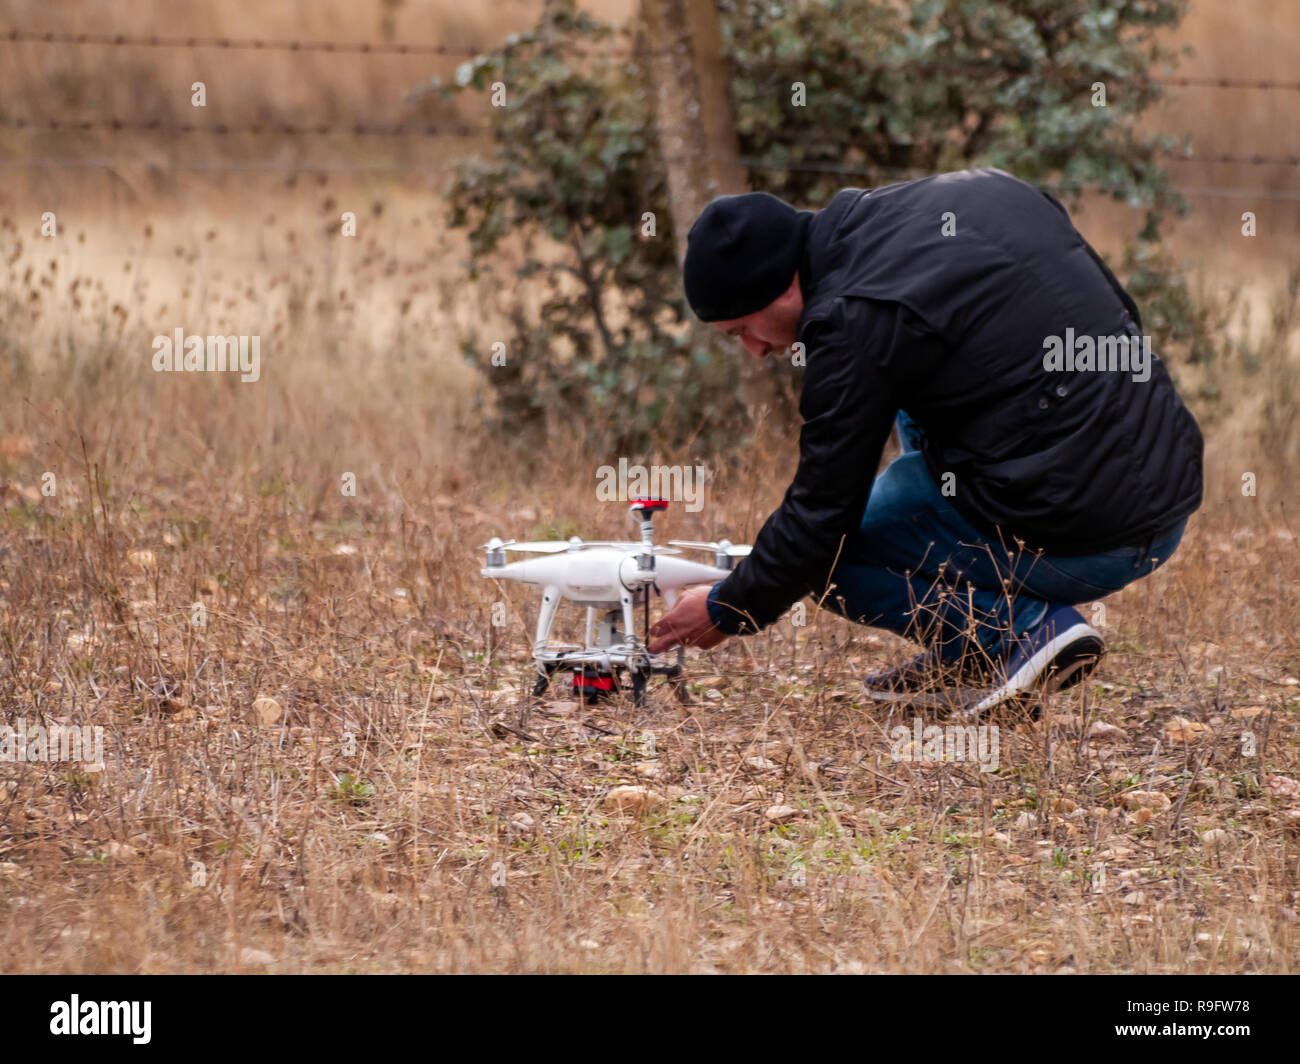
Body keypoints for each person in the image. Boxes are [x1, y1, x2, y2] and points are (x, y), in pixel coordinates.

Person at [647, 168, 1203, 714]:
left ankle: (1020, 633)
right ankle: (972, 656)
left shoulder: (853, 319)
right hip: (1166, 488)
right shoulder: (974, 194)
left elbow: (821, 517)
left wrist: (729, 607)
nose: (753, 349)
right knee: (924, 373)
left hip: (1094, 536)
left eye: (742, 329)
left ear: (781, 285)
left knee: (827, 558)